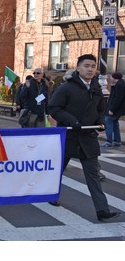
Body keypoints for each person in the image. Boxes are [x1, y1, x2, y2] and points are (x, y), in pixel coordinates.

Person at [48, 54, 121, 222]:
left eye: (93, 66)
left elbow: (101, 110)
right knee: (57, 171)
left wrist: (100, 123)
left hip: (88, 138)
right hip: (68, 136)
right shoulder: (67, 88)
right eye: (86, 66)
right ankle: (51, 195)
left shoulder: (96, 88)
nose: (90, 69)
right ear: (78, 68)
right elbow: (53, 108)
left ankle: (102, 210)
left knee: (93, 175)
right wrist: (73, 121)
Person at [102, 72, 125, 148]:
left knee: (108, 123)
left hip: (115, 110)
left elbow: (117, 99)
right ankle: (117, 141)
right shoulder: (120, 84)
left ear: (115, 78)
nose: (111, 78)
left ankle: (109, 141)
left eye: (112, 77)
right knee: (115, 124)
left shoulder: (119, 85)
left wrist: (112, 110)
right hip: (118, 110)